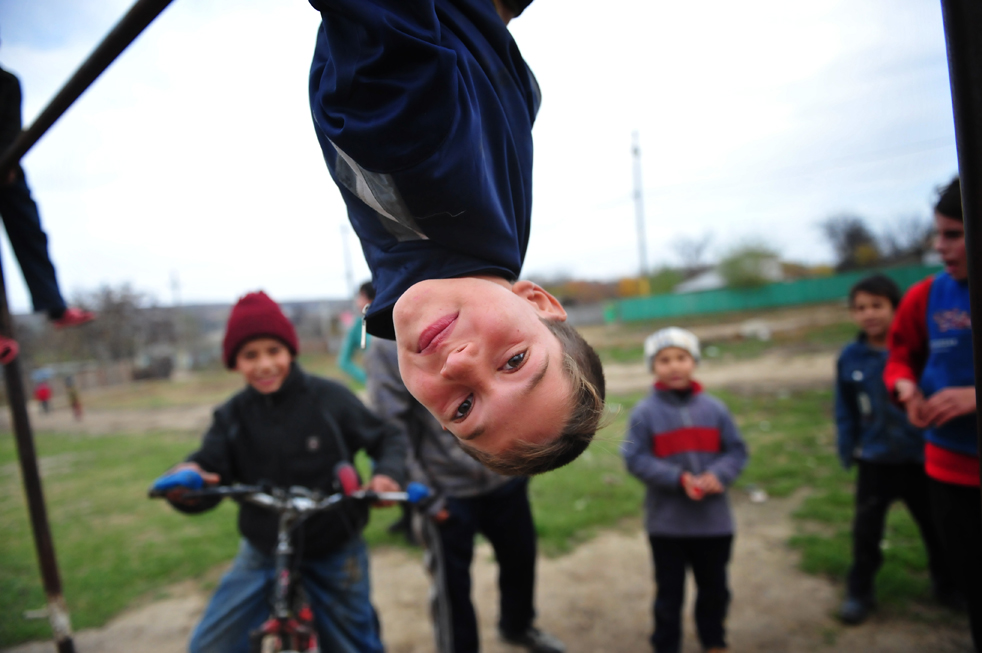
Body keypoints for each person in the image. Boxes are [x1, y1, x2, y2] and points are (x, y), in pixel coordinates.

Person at [308, 0, 605, 475]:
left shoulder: (491, 246)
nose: (461, 367)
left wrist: (493, 17)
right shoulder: (414, 161)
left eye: (464, 408)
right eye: (514, 362)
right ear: (539, 302)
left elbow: (518, 94)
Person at [153, 291, 407, 653]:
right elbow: (209, 464)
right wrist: (188, 477)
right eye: (250, 355)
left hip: (334, 542)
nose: (264, 365)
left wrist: (387, 475)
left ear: (290, 350)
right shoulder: (232, 416)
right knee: (211, 645)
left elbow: (386, 437)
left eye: (273, 351)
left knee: (354, 643)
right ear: (234, 362)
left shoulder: (329, 398)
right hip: (263, 547)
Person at [365, 336, 564, 653]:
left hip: (504, 477)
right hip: (445, 489)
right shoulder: (386, 343)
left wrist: (521, 460)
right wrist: (425, 493)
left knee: (520, 559)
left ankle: (518, 627)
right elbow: (392, 424)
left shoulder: (469, 305)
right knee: (451, 589)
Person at [884, 177, 980, 648]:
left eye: (954, 234)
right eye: (938, 233)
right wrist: (904, 386)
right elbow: (900, 352)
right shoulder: (927, 295)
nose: (939, 246)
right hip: (948, 466)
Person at [835, 274, 955, 624]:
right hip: (875, 460)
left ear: (896, 308)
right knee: (866, 532)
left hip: (920, 458)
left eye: (877, 305)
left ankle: (948, 586)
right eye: (859, 308)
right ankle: (860, 592)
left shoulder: (917, 353)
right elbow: (845, 408)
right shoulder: (851, 356)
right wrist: (848, 448)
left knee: (937, 527)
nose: (868, 314)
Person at [622, 327, 748, 653]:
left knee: (715, 589)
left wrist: (718, 475)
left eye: (682, 357)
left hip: (714, 524)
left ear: (694, 361)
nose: (674, 366)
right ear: (653, 366)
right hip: (667, 526)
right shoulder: (644, 413)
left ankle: (714, 640)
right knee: (669, 594)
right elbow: (634, 458)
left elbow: (736, 451)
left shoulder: (716, 409)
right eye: (664, 360)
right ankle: (666, 644)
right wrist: (678, 479)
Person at [0, 57, 95, 362]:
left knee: (31, 233)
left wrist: (8, 160)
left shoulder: (6, 83)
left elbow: (11, 127)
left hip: (6, 168)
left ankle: (54, 305)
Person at [337, 281, 375, 385]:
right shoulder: (358, 326)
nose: (358, 302)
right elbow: (344, 361)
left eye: (360, 297)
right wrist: (369, 380)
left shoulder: (394, 318)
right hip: (380, 389)